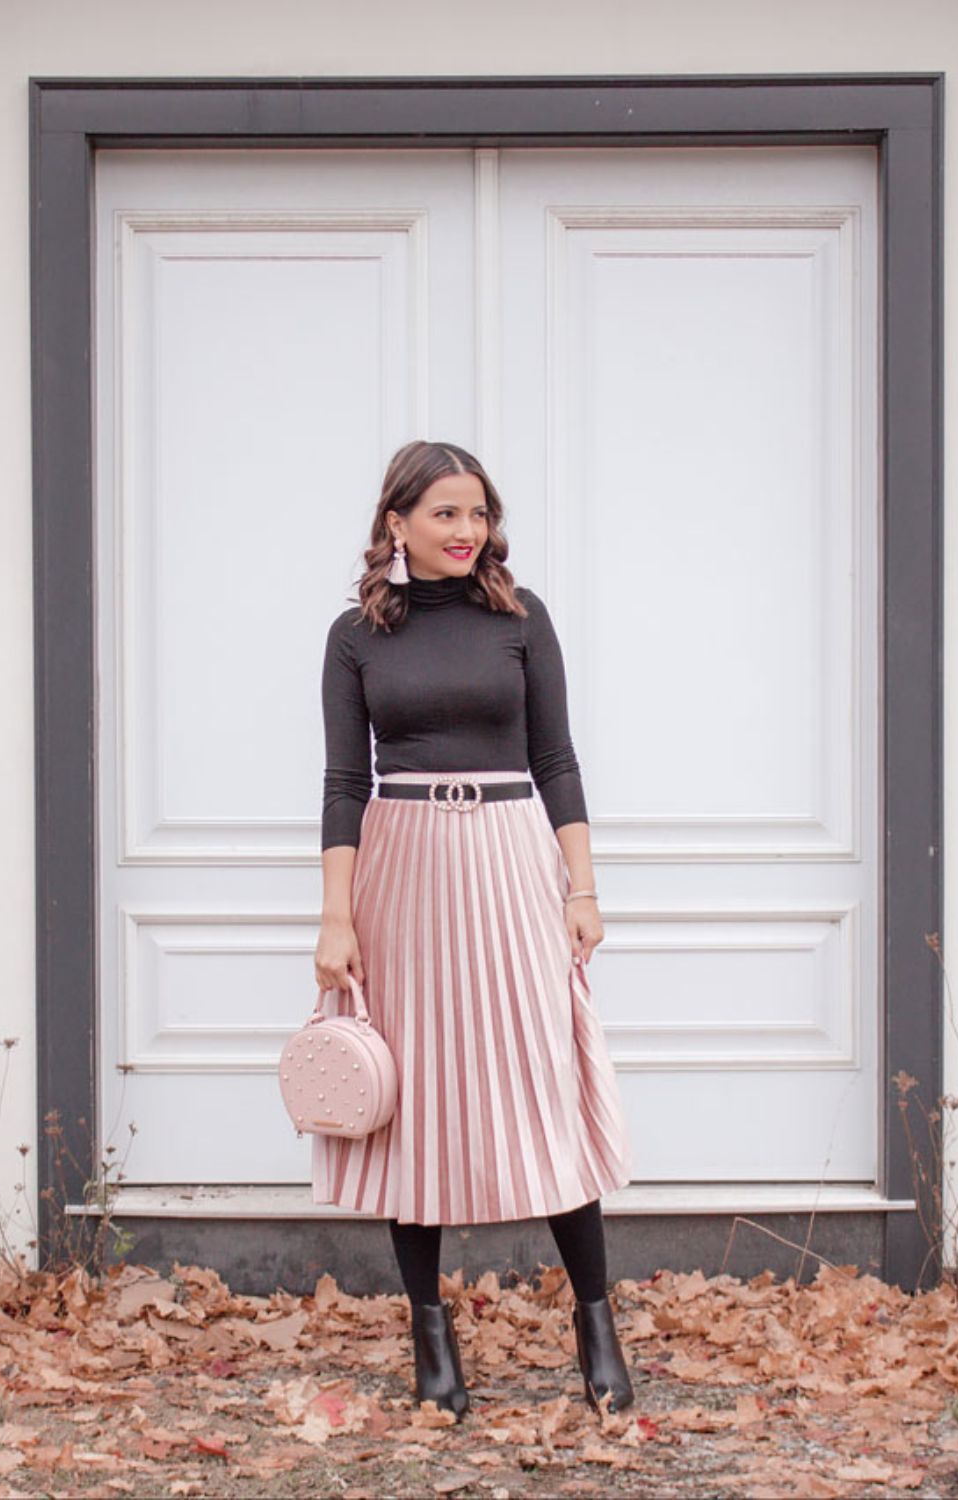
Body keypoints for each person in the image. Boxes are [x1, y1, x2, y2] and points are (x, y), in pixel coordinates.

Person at [313, 439, 635, 1419]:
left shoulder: (520, 619)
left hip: (509, 860)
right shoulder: (356, 635)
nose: (465, 531)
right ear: (396, 523)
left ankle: (596, 1322)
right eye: (444, 513)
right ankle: (430, 1337)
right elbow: (342, 783)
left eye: (478, 513)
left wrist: (581, 890)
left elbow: (557, 758)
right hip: (401, 868)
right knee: (412, 1100)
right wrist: (335, 916)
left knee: (539, 1080)